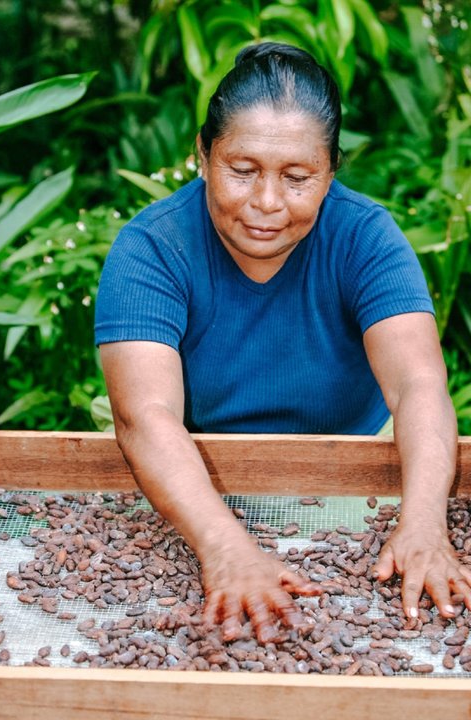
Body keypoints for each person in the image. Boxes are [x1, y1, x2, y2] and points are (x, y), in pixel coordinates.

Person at [95, 42, 470, 644]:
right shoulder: (152, 249)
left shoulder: (365, 237)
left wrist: (424, 522)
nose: (267, 204)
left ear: (330, 171)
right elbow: (145, 416)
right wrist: (225, 548)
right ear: (202, 155)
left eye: (298, 178)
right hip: (190, 479)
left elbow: (418, 384)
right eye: (241, 170)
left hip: (353, 473)